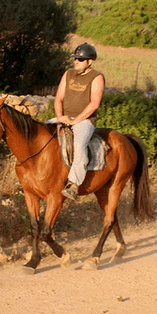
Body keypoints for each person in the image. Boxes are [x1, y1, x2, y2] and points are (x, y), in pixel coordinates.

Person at [51, 42, 105, 200]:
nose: (76, 62)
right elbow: (58, 98)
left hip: (84, 121)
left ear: (90, 61)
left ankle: (73, 184)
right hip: (65, 117)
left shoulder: (96, 77)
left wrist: (75, 121)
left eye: (80, 60)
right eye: (75, 59)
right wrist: (60, 116)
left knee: (79, 145)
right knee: (41, 132)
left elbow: (94, 103)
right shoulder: (68, 74)